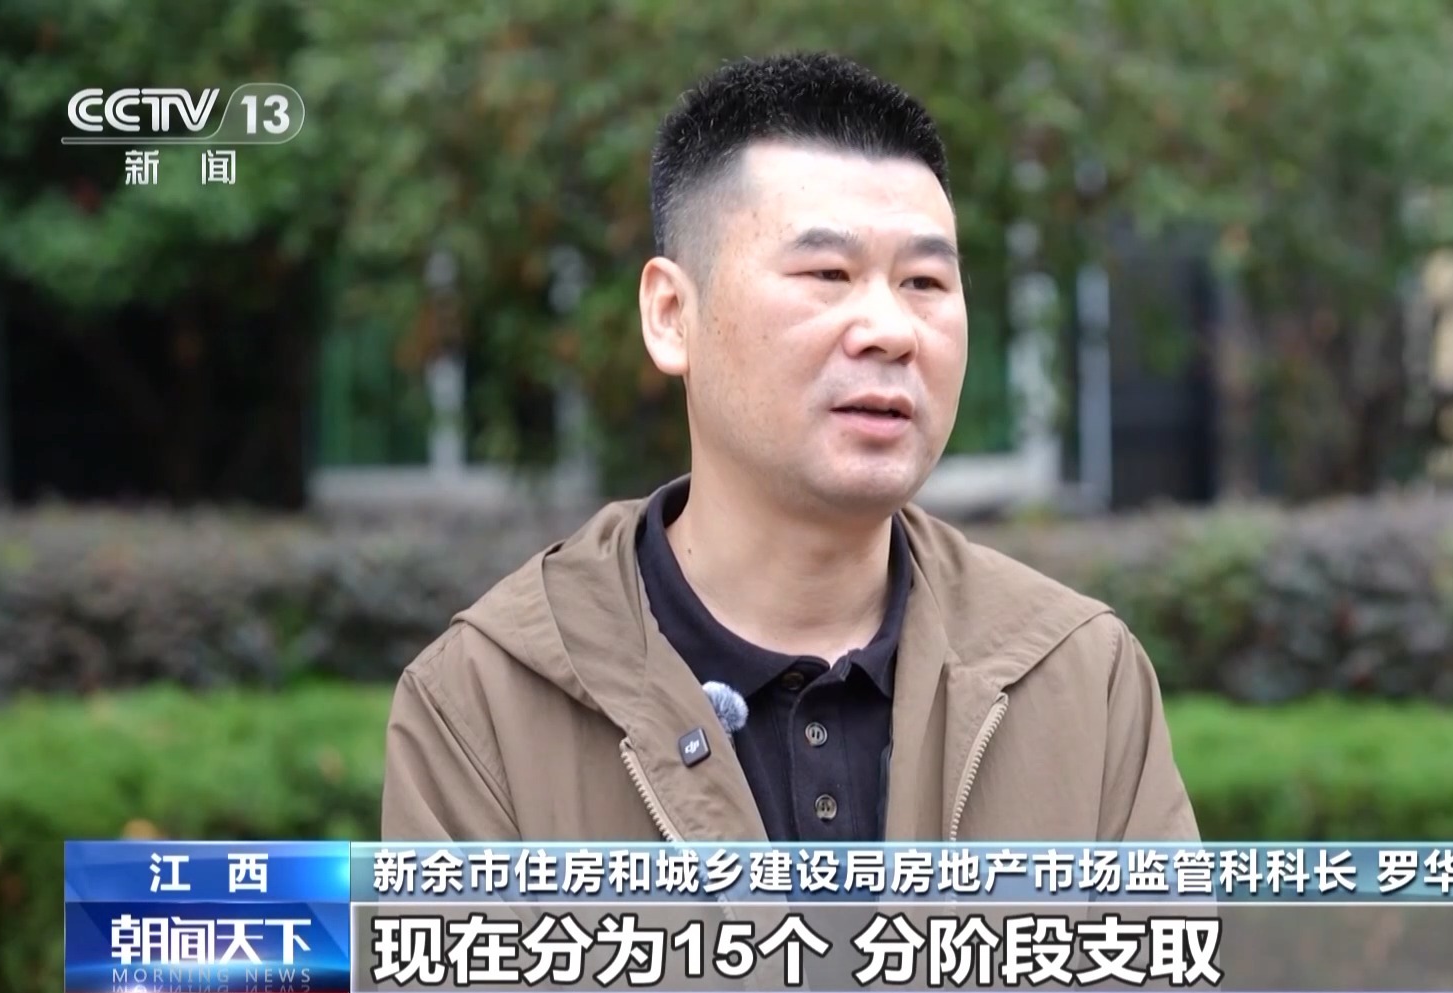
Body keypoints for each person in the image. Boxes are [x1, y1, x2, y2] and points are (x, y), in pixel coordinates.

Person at [380, 52, 1199, 844]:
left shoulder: (1078, 678)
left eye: (924, 283)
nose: (890, 330)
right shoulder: (484, 704)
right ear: (671, 314)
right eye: (828, 274)